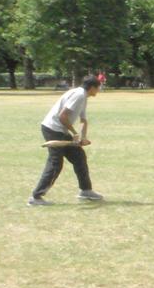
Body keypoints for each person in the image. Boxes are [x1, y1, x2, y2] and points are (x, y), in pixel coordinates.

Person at [28, 75, 104, 205]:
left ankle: (86, 190)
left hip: (61, 130)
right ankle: (36, 197)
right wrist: (74, 133)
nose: (99, 90)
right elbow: (62, 116)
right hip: (53, 129)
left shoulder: (83, 96)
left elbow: (83, 120)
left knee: (79, 157)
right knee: (55, 163)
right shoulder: (79, 95)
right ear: (92, 88)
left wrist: (83, 137)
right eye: (98, 88)